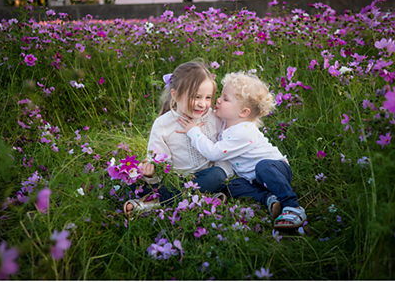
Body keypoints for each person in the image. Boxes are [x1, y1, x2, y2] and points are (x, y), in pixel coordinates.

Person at [185, 73, 307, 231]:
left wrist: (194, 132)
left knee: (263, 167)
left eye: (226, 98)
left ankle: (293, 206)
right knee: (231, 186)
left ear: (243, 112)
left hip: (275, 171)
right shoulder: (227, 122)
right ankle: (269, 199)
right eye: (220, 95)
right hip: (254, 180)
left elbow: (214, 153)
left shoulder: (243, 132)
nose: (219, 100)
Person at [120, 58, 218, 210]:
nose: (203, 104)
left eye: (208, 97)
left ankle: (156, 203)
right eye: (196, 97)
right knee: (135, 182)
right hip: (175, 180)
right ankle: (197, 198)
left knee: (218, 175)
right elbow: (158, 161)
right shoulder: (163, 124)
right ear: (175, 95)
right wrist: (151, 174)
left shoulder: (213, 118)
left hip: (207, 176)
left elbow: (223, 151)